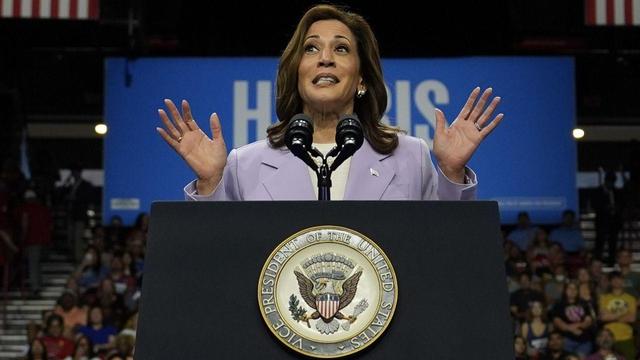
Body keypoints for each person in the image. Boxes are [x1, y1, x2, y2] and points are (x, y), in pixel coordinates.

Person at [156, 4, 503, 201]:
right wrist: (210, 183)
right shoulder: (245, 164)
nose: (325, 58)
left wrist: (452, 172)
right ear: (296, 73)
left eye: (341, 48)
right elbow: (220, 254)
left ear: (362, 78)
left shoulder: (409, 156)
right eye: (311, 48)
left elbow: (442, 247)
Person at [598, 271, 637, 360]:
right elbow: (603, 317)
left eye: (619, 279)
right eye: (614, 279)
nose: (616, 281)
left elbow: (632, 318)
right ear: (610, 282)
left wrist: (611, 316)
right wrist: (624, 314)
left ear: (623, 281)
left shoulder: (631, 299)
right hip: (608, 339)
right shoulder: (604, 298)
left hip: (626, 337)